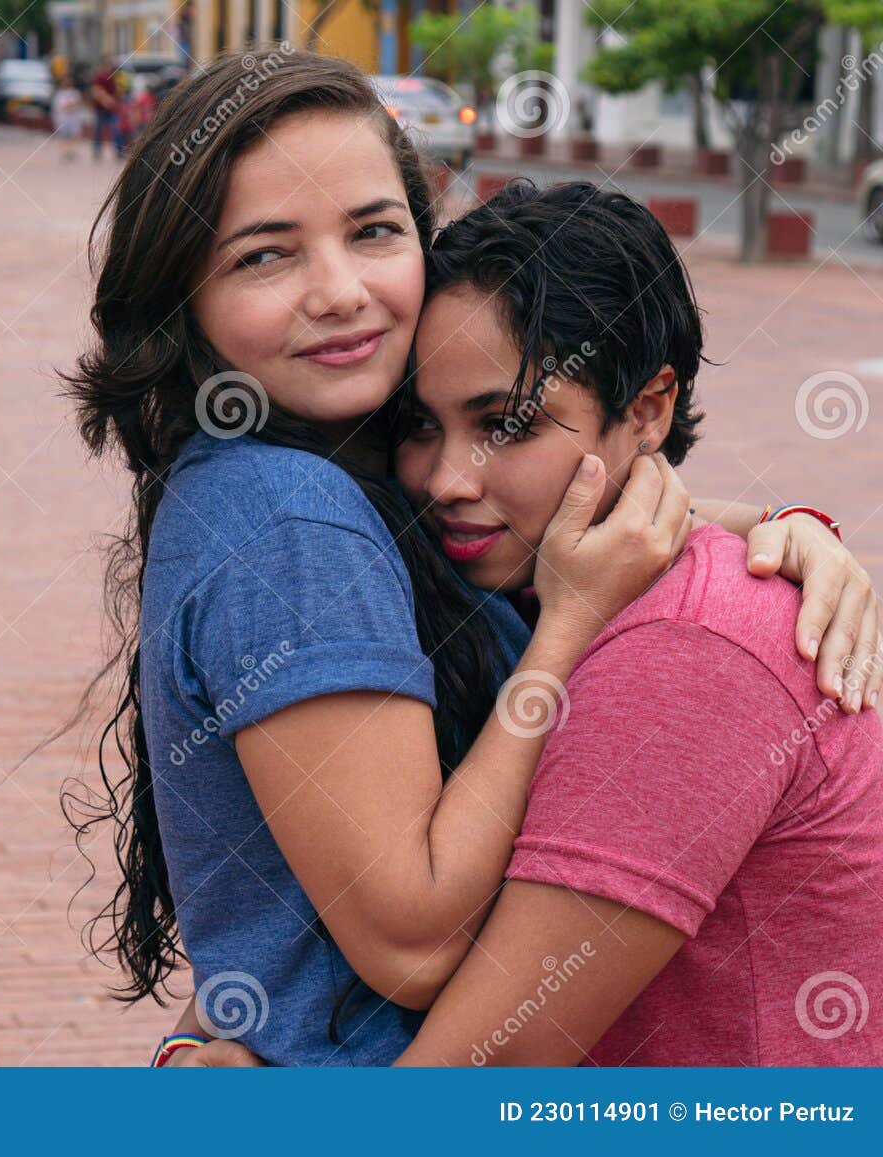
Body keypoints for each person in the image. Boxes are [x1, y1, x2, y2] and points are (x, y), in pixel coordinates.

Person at [61, 50, 883, 1070]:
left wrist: (781, 522)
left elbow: (550, 498)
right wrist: (574, 624)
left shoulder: (333, 465)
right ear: (182, 295)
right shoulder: (292, 520)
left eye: (372, 232)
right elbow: (415, 940)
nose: (340, 292)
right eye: (264, 255)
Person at [87, 59, 124, 160]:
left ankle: (119, 152)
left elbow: (116, 91)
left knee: (115, 129)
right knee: (98, 131)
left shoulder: (113, 77)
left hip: (112, 110)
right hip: (100, 110)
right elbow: (96, 91)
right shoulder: (99, 77)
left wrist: (115, 102)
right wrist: (106, 100)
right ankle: (97, 152)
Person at [53, 69, 86, 162]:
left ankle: (72, 152)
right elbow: (61, 106)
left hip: (73, 118)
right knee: (63, 136)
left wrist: (70, 104)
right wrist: (70, 104)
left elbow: (77, 103)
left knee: (75, 135)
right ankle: (64, 153)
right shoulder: (60, 94)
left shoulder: (75, 93)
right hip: (63, 119)